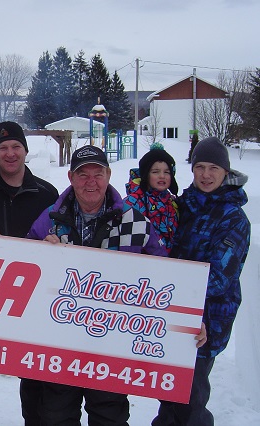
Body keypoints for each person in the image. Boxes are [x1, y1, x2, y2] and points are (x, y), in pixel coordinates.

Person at [27, 144, 167, 426]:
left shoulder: (135, 222)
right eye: (82, 174)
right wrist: (38, 252)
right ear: (70, 177)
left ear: (109, 175)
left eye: (98, 174)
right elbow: (23, 268)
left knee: (109, 416)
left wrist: (189, 319)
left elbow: (166, 277)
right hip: (59, 342)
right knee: (55, 415)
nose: (91, 181)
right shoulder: (50, 219)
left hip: (110, 343)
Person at [0, 121, 58, 423]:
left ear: (26, 150)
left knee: (35, 379)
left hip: (32, 300)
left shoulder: (48, 194)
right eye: (3, 147)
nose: (10, 153)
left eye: (16, 146)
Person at [152, 137, 250, 426]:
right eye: (200, 167)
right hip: (172, 317)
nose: (206, 175)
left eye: (214, 168)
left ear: (226, 172)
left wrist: (185, 309)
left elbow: (220, 277)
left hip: (207, 322)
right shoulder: (181, 208)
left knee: (190, 402)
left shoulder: (234, 218)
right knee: (168, 395)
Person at [123, 144, 178, 253]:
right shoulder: (132, 203)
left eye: (166, 172)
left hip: (168, 265)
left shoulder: (173, 204)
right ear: (146, 175)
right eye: (155, 172)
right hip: (142, 265)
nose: (162, 176)